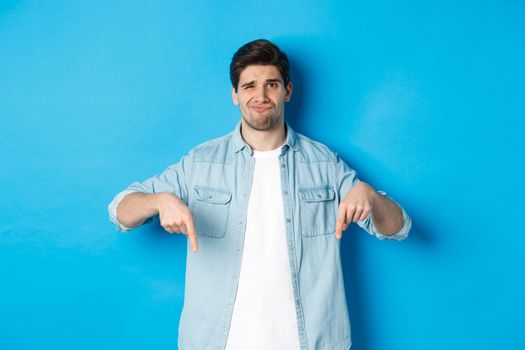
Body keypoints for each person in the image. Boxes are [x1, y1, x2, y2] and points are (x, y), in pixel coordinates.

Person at [108, 39, 411, 350]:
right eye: (249, 86)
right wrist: (159, 201)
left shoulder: (324, 163)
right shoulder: (201, 162)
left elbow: (399, 228)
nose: (261, 95)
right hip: (218, 342)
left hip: (312, 342)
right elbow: (120, 211)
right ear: (235, 95)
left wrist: (370, 195)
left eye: (271, 84)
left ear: (287, 91)